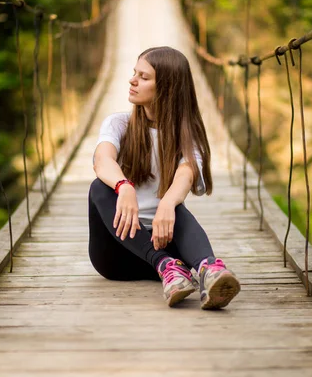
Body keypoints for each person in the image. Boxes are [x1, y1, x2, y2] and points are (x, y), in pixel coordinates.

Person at [89, 46, 240, 309]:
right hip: (117, 255)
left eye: (144, 77)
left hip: (165, 239)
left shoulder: (188, 137)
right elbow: (102, 159)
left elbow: (186, 172)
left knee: (176, 207)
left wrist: (168, 204)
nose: (132, 80)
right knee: (99, 188)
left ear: (167, 88)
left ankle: (208, 272)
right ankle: (166, 265)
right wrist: (123, 186)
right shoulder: (118, 124)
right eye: (135, 73)